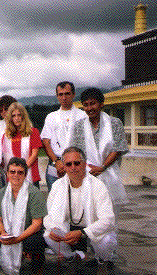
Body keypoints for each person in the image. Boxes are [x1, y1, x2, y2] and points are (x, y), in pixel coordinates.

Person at [44, 147, 117, 270]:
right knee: (48, 235)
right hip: (69, 230)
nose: (73, 167)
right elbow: (48, 217)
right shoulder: (57, 186)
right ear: (64, 166)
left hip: (90, 228)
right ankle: (71, 256)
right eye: (68, 164)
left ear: (84, 164)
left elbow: (108, 220)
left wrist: (83, 233)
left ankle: (102, 258)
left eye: (77, 163)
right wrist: (53, 228)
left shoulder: (98, 186)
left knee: (106, 240)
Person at [69, 88, 129, 216]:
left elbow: (118, 148)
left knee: (109, 216)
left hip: (109, 173)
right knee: (89, 215)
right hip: (87, 174)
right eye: (86, 105)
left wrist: (102, 167)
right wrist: (87, 168)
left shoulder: (114, 123)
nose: (89, 108)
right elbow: (75, 151)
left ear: (101, 104)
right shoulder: (79, 126)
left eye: (93, 103)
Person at [0, 157, 47, 275]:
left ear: (25, 175)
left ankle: (37, 268)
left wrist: (17, 239)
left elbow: (37, 224)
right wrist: (3, 233)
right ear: (7, 173)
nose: (16, 175)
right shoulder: (3, 192)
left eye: (20, 172)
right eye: (12, 172)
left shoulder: (34, 193)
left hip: (29, 232)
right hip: (8, 232)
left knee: (34, 242)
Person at [41, 81, 86, 191]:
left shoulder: (82, 116)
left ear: (73, 94)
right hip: (55, 165)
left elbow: (86, 143)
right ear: (57, 96)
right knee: (56, 202)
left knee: (76, 200)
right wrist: (57, 161)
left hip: (75, 164)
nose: (64, 97)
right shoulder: (51, 117)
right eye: (60, 94)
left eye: (67, 93)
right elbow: (46, 142)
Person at [2, 102, 43, 188]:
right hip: (12, 177)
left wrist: (22, 169)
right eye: (13, 116)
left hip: (30, 174)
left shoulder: (33, 132)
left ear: (23, 116)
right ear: (10, 118)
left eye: (19, 115)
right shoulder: (6, 136)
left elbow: (34, 154)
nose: (16, 118)